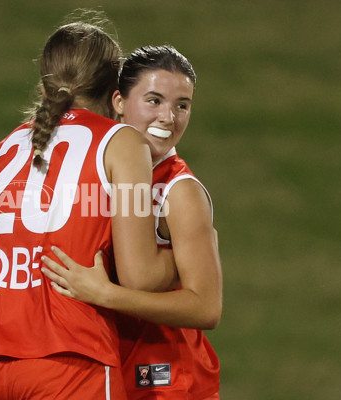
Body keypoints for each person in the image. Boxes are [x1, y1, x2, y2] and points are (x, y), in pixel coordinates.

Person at [0, 19, 175, 400]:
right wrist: (188, 254)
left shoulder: (4, 148)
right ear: (116, 93)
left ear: (44, 88)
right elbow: (140, 277)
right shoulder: (122, 142)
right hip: (70, 361)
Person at [40, 45, 223, 400]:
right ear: (119, 101)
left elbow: (206, 307)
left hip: (167, 382)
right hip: (104, 371)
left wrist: (109, 295)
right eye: (154, 100)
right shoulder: (96, 169)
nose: (169, 117)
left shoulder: (179, 190)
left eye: (182, 105)